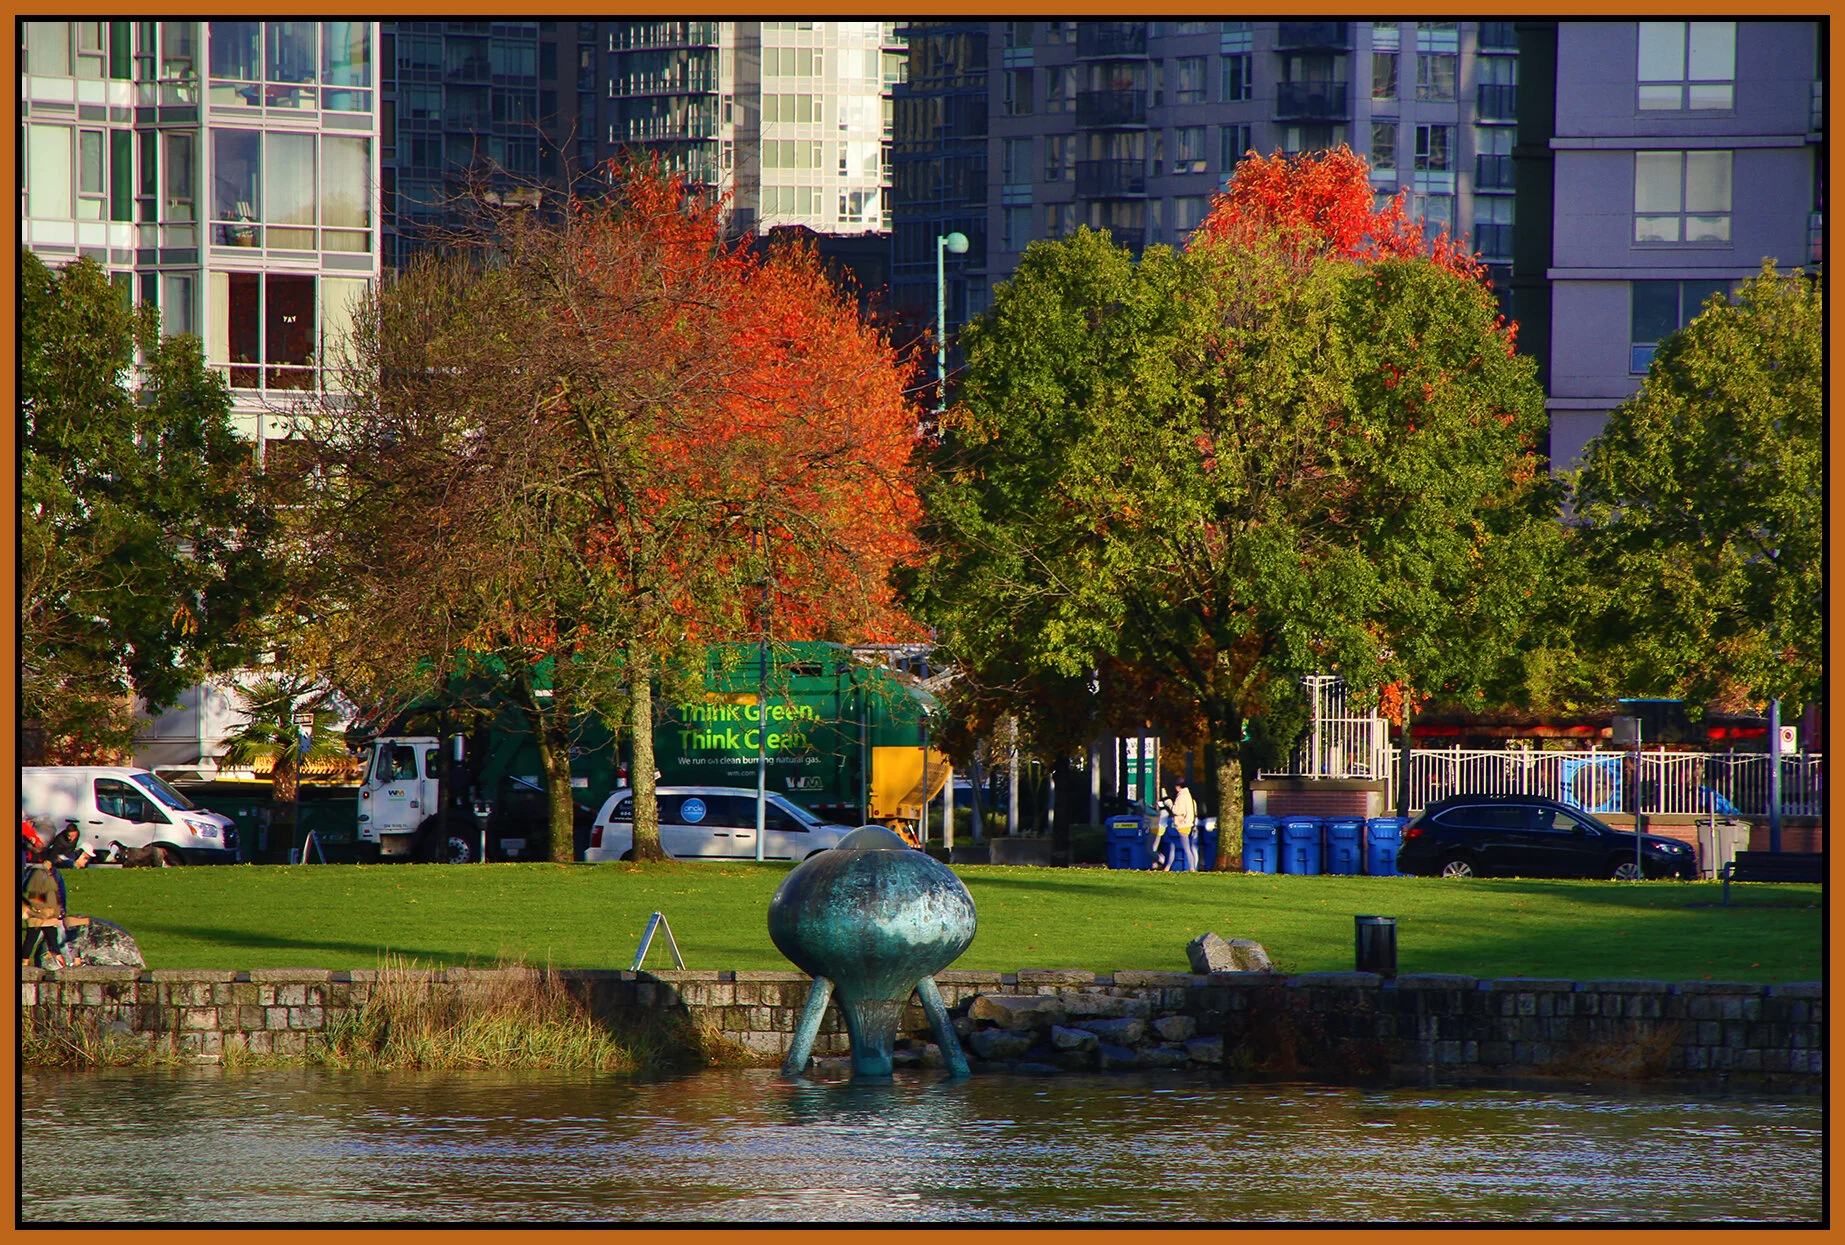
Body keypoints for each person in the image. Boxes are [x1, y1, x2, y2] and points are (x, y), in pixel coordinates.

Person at [1169, 779, 1198, 871]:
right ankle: (1167, 866)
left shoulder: (1181, 797)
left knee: (1186, 848)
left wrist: (1169, 803)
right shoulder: (1188, 796)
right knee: (1176, 846)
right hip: (1188, 824)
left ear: (1178, 787)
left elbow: (1176, 810)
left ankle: (1192, 867)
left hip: (1182, 825)